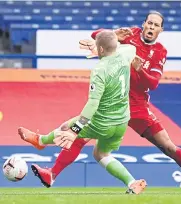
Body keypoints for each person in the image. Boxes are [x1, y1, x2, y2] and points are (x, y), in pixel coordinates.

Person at [20, 11, 181, 194]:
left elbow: (153, 83)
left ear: (161, 30)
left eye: (156, 25)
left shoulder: (159, 52)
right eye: (149, 23)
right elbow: (98, 36)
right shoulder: (130, 35)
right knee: (79, 136)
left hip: (138, 107)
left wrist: (140, 70)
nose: (151, 27)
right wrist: (114, 33)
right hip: (114, 102)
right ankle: (51, 170)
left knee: (168, 146)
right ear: (143, 24)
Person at [18, 30, 147, 194]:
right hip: (121, 121)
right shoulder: (127, 52)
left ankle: (41, 141)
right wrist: (107, 40)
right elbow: (122, 47)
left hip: (102, 121)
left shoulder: (100, 70)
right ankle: (132, 182)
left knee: (68, 129)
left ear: (100, 50)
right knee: (101, 154)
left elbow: (92, 105)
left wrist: (75, 131)